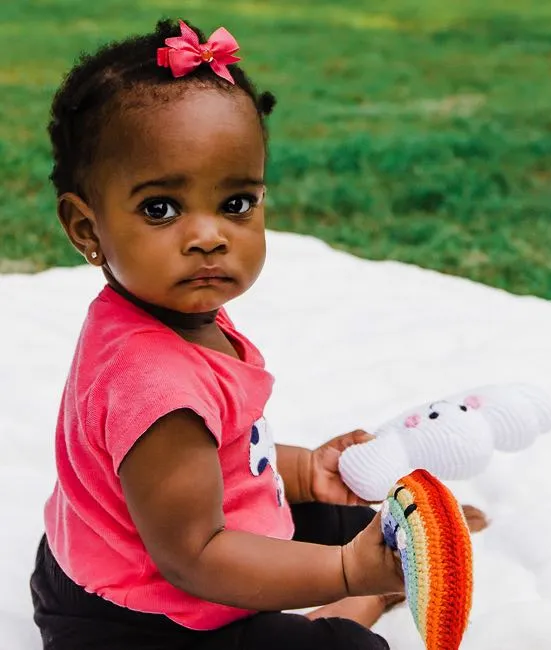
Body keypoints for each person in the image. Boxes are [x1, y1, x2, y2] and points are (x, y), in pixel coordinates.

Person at [29, 18, 486, 650]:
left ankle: (378, 564)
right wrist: (347, 570)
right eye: (161, 207)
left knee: (341, 518)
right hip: (138, 620)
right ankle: (363, 600)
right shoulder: (154, 384)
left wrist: (305, 472)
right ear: (86, 227)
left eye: (236, 203)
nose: (209, 235)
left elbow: (231, 455)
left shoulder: (173, 304)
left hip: (123, 547)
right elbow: (197, 557)